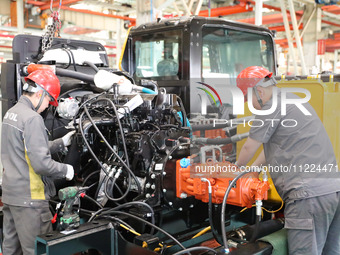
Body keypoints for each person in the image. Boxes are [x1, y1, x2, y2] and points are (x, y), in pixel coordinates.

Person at [235, 66, 340, 255]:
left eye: (246, 98)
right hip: (331, 190)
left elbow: (249, 146)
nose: (247, 103)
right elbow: (276, 145)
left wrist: (234, 171)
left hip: (307, 197)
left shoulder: (271, 106)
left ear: (258, 91)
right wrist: (254, 170)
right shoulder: (292, 99)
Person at [1, 69, 75, 255]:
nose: (47, 106)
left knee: (11, 250)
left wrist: (61, 143)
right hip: (31, 201)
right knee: (37, 251)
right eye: (49, 100)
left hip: (11, 196)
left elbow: (25, 148)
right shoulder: (32, 118)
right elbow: (41, 163)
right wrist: (66, 170)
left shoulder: (12, 113)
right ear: (40, 93)